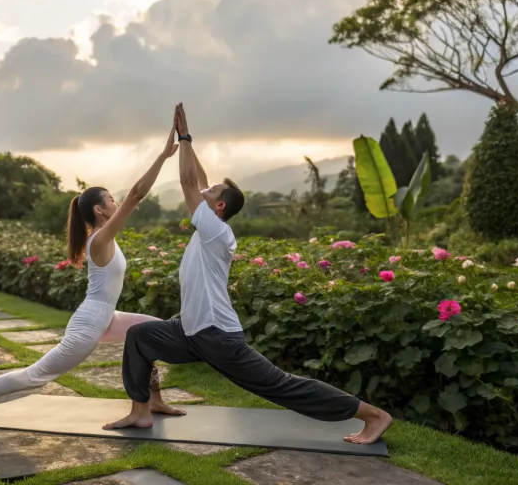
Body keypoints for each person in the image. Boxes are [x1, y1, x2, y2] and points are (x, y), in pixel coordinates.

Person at [103, 104, 393, 445]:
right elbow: (197, 178)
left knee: (280, 384)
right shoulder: (210, 225)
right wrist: (189, 137)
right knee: (141, 337)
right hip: (191, 329)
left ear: (219, 207)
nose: (203, 190)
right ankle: (144, 409)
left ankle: (373, 415)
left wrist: (181, 138)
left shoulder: (214, 231)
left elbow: (186, 180)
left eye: (210, 193)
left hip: (216, 334)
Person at [0, 125, 186, 421]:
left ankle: (154, 401)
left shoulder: (103, 236)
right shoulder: (100, 240)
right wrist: (163, 156)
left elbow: (134, 199)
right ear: (99, 210)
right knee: (36, 375)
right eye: (111, 199)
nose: (117, 203)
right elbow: (136, 195)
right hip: (90, 322)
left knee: (152, 332)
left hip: (106, 315)